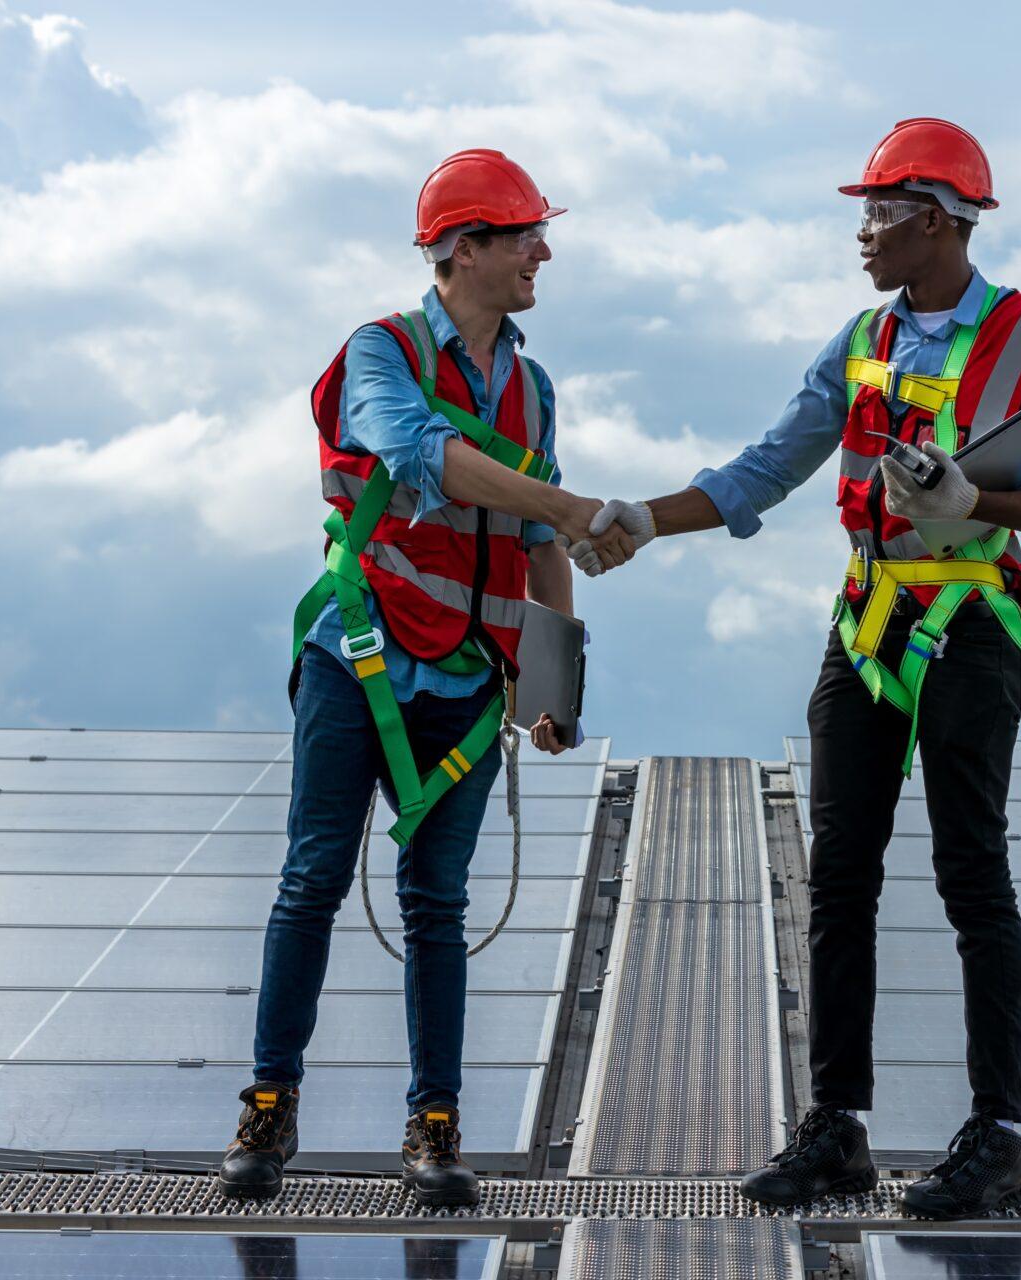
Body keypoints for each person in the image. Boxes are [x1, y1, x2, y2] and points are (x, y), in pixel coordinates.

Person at [573, 118, 1021, 1218]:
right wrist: (645, 518)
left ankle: (998, 1132)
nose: (860, 232)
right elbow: (769, 464)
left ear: (934, 217)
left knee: (972, 872)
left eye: (876, 211)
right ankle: (839, 1126)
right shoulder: (861, 339)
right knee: (841, 878)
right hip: (867, 620)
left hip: (971, 621)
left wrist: (977, 503)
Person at [216, 149, 633, 1207]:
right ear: (466, 250)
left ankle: (435, 1126)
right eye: (525, 234)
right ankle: (268, 1106)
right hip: (356, 660)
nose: (543, 251)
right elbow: (416, 456)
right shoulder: (382, 351)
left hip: (461, 679)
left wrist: (553, 684)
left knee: (435, 903)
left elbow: (538, 534)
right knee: (312, 877)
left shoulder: (533, 390)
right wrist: (571, 505)